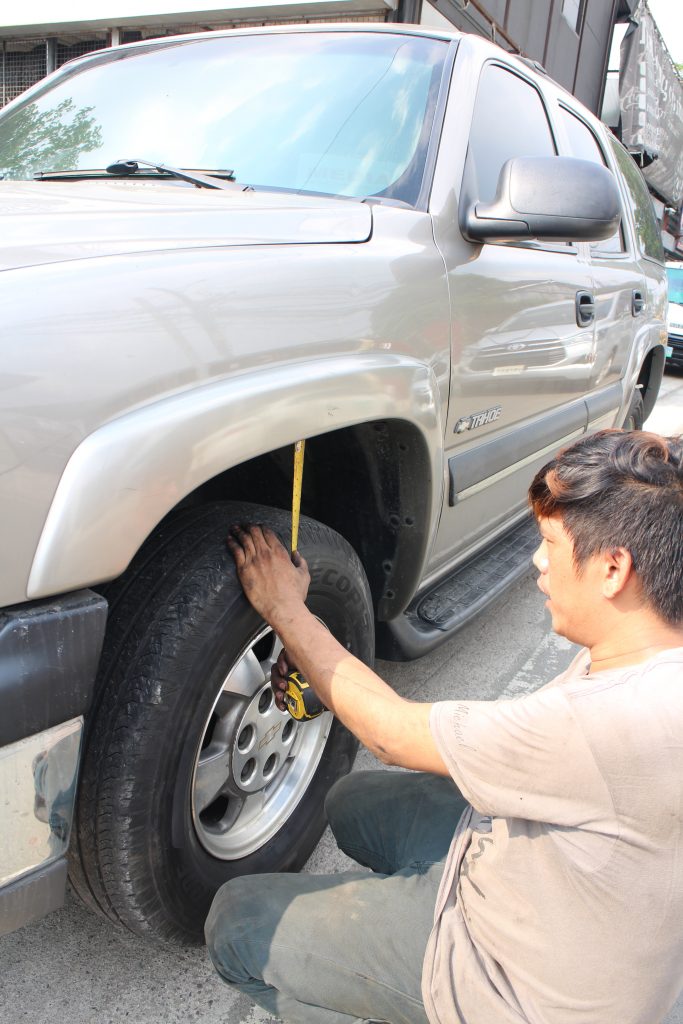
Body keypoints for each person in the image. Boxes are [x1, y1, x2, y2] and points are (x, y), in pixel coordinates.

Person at [205, 429, 683, 1024]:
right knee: (353, 800)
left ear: (614, 568)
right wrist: (332, 685)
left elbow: (391, 734)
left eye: (549, 543)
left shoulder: (610, 724)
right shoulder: (655, 652)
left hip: (522, 991)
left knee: (239, 920)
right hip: (567, 903)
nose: (537, 561)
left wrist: (287, 611)